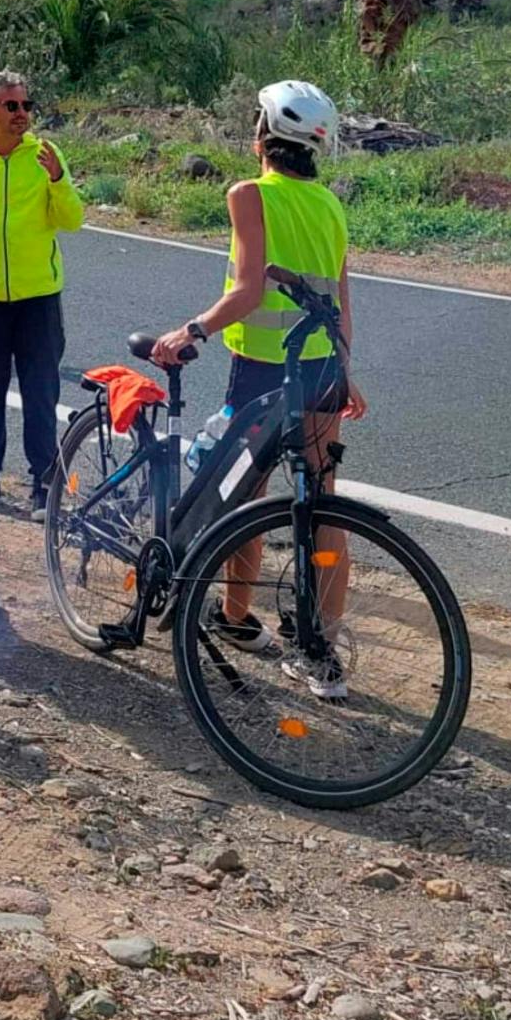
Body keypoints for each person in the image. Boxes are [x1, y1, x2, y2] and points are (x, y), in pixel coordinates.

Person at [149, 79, 364, 701]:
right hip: (322, 367)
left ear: (262, 136)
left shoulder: (249, 194)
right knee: (322, 499)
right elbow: (341, 303)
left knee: (248, 495)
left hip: (265, 370)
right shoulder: (329, 204)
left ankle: (238, 616)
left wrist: (189, 330)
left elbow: (246, 291)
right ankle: (321, 648)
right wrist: (347, 370)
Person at [0, 70, 86, 518]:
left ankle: (44, 485)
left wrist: (60, 179)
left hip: (39, 297)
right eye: (12, 106)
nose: (22, 113)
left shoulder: (45, 154)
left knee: (40, 393)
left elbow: (72, 219)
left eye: (26, 105)